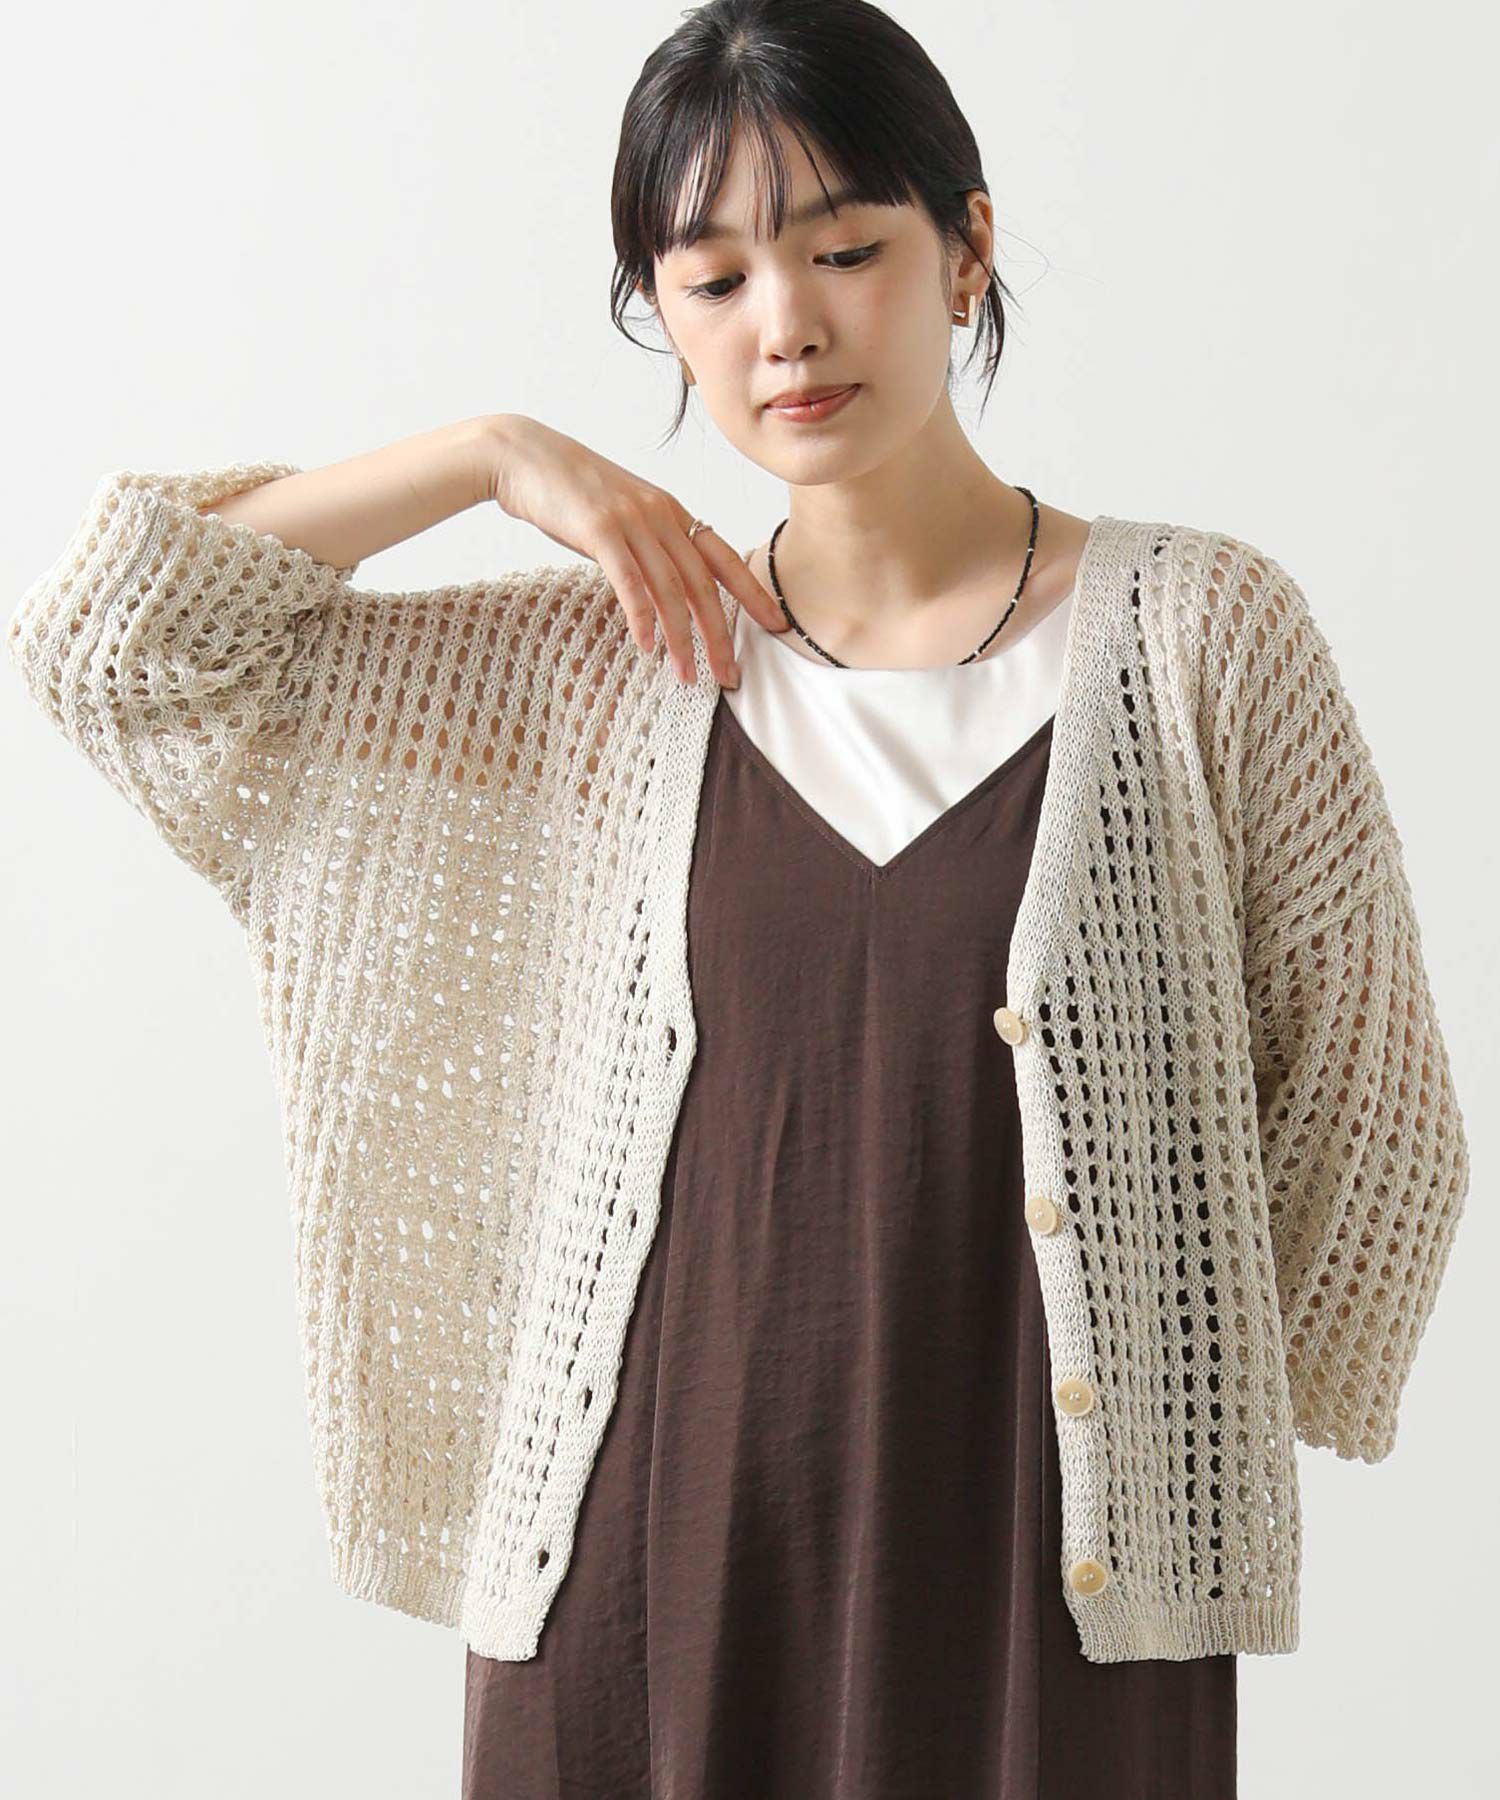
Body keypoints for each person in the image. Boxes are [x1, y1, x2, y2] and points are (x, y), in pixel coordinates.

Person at [6, 4, 1468, 1798]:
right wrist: (486, 455)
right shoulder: (596, 672)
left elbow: (1373, 1109)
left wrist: (1181, 1407)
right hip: (640, 1575)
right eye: (710, 280)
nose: (787, 325)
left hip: (1052, 1574)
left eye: (846, 251)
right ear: (662, 311)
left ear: (969, 249)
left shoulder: (1198, 639)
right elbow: (115, 649)